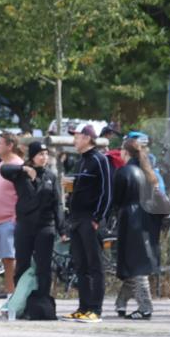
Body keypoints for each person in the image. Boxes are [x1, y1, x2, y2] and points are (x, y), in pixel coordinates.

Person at [0, 142, 63, 313]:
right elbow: (3, 170)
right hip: (25, 225)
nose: (44, 157)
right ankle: (21, 302)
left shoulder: (51, 176)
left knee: (43, 267)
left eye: (46, 154)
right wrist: (23, 170)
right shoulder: (21, 173)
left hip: (45, 226)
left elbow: (57, 204)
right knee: (22, 264)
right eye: (40, 154)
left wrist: (62, 229)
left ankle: (41, 302)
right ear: (33, 156)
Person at [61, 124, 113, 323]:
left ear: (87, 138)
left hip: (90, 219)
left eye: (77, 136)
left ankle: (95, 309)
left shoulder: (100, 159)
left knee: (94, 265)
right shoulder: (80, 161)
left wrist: (97, 218)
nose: (74, 140)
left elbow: (106, 192)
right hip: (76, 219)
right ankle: (83, 307)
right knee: (80, 265)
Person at [111, 138, 164, 320]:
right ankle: (121, 302)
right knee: (133, 263)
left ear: (125, 153)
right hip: (146, 219)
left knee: (135, 265)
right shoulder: (148, 172)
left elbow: (116, 199)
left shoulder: (124, 171)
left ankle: (145, 307)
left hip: (130, 219)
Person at [0, 132, 23, 294]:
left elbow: (23, 194)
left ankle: (13, 296)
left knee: (10, 260)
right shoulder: (1, 164)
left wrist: (15, 218)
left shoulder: (17, 165)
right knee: (6, 260)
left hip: (9, 220)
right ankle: (11, 294)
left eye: (0, 143)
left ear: (10, 146)